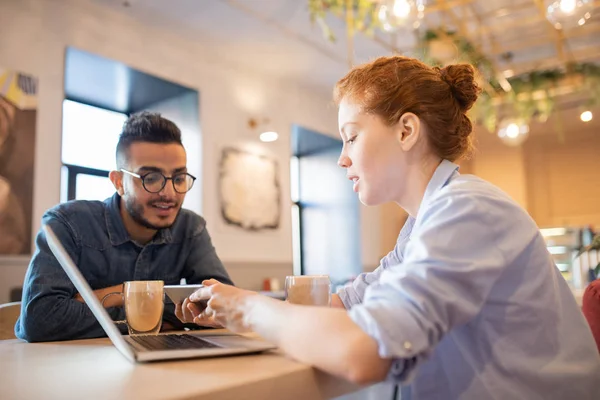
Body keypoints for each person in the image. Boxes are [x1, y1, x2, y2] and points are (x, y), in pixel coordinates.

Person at [178, 56, 600, 399]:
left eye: (351, 137)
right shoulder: (422, 225)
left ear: (406, 130)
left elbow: (366, 350)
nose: (342, 158)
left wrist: (248, 310)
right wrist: (230, 306)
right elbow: (348, 303)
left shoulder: (468, 209)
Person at [16, 112, 232, 342]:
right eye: (151, 178)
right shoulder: (67, 223)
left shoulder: (190, 228)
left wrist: (114, 297)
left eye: (178, 178)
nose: (169, 194)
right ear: (119, 182)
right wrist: (162, 316)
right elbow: (41, 319)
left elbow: (225, 306)